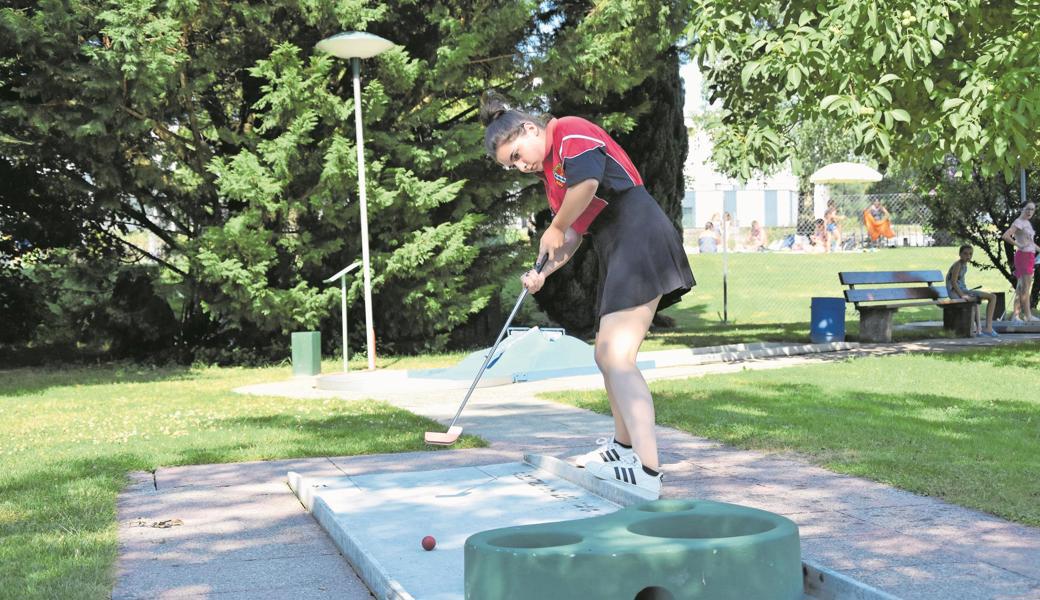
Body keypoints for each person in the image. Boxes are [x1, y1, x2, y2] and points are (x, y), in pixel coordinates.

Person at [480, 92, 695, 498]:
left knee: (617, 356)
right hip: (618, 246)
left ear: (529, 128)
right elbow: (574, 234)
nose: (521, 166)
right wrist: (543, 271)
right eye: (513, 164)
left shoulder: (569, 132)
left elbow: (590, 184)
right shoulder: (554, 178)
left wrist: (556, 226)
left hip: (639, 235)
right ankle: (622, 448)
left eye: (517, 155)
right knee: (605, 354)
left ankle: (648, 472)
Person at [946, 245, 999, 337]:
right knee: (992, 297)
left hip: (962, 291)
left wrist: (966, 292)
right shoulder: (958, 265)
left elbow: (960, 282)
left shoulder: (964, 265)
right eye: (965, 253)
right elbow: (953, 282)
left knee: (983, 299)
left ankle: (980, 330)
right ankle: (987, 329)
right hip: (956, 293)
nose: (968, 256)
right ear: (960, 254)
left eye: (970, 254)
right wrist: (962, 295)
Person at [1001, 201, 1038, 322]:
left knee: (1021, 287)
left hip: (1030, 255)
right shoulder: (1018, 222)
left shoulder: (1027, 223)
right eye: (1027, 209)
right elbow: (1006, 236)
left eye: (1032, 209)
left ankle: (1015, 316)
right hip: (1023, 256)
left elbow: (1031, 243)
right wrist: (1019, 245)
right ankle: (1027, 316)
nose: (1030, 212)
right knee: (1025, 288)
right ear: (1021, 209)